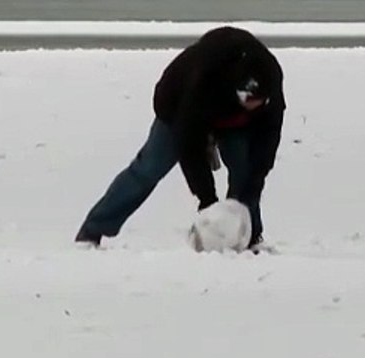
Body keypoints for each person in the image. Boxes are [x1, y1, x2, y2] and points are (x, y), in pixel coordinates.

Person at [75, 26, 286, 251]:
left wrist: (247, 194)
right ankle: (92, 230)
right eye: (247, 100)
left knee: (245, 171)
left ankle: (249, 238)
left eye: (257, 103)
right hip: (177, 107)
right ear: (236, 90)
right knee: (149, 168)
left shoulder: (271, 87)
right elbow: (189, 145)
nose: (250, 105)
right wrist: (207, 199)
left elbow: (265, 147)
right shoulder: (203, 83)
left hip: (233, 124)